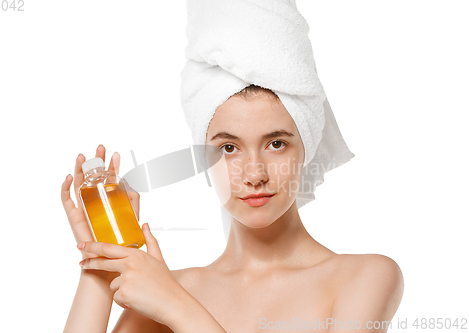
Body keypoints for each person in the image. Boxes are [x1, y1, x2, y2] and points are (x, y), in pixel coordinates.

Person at [61, 86, 403, 333]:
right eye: (228, 148)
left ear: (306, 151)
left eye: (276, 144)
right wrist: (101, 266)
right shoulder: (165, 287)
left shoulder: (364, 277)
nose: (255, 174)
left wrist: (179, 310)